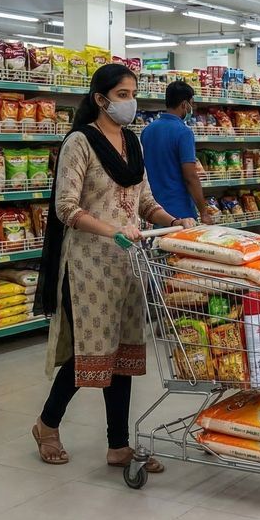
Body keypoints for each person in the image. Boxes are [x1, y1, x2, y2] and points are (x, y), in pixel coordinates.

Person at [34, 64, 196, 470]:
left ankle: (118, 445)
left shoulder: (133, 142)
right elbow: (65, 207)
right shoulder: (80, 143)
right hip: (88, 265)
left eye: (133, 94)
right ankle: (47, 425)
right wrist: (112, 230)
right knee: (90, 351)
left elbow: (145, 202)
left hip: (129, 264)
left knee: (122, 353)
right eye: (123, 95)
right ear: (100, 99)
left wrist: (174, 220)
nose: (130, 102)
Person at [140, 80, 216, 224]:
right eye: (191, 104)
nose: (191, 108)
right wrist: (204, 212)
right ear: (184, 104)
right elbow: (190, 176)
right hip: (179, 211)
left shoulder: (147, 130)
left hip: (153, 210)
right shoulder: (184, 132)